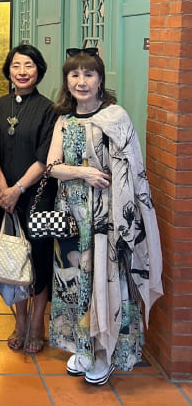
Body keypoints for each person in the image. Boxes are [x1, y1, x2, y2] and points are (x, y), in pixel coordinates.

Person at [46, 47, 163, 385]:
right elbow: (52, 167)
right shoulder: (63, 120)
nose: (81, 81)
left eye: (89, 74)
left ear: (100, 80)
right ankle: (83, 346)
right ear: (67, 81)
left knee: (107, 279)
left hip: (107, 218)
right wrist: (83, 172)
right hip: (71, 217)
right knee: (75, 281)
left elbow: (131, 168)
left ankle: (106, 353)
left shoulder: (116, 117)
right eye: (74, 75)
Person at [0, 44, 57, 354]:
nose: (22, 71)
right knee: (14, 258)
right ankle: (20, 320)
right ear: (9, 70)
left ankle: (37, 322)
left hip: (38, 196)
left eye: (28, 65)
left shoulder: (49, 109)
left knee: (39, 259)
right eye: (16, 65)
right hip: (5, 196)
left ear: (39, 71)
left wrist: (17, 188)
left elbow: (45, 159)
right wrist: (3, 188)